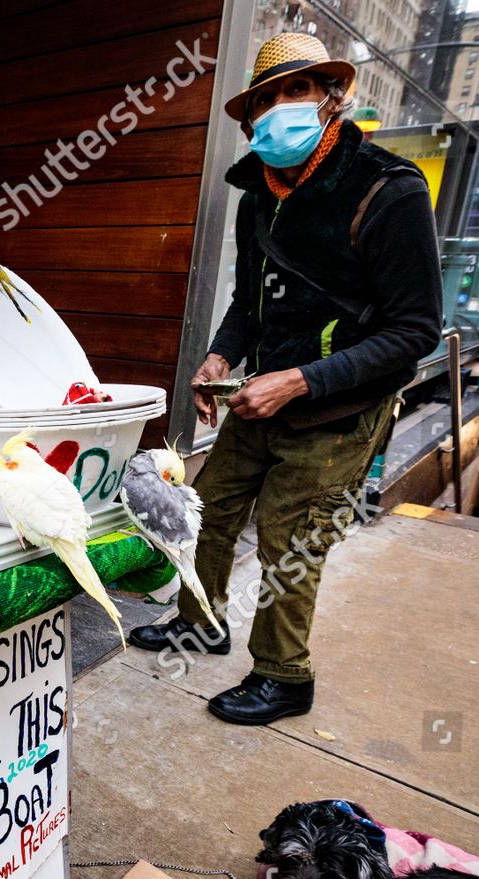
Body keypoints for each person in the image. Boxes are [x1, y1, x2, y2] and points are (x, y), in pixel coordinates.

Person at [129, 34, 442, 725]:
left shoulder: (388, 190)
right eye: (263, 100)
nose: (276, 110)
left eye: (294, 92)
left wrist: (299, 381)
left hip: (339, 408)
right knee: (204, 517)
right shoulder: (260, 196)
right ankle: (199, 623)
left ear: (334, 97)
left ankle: (283, 676)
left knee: (289, 543)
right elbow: (250, 302)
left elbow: (415, 331)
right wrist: (219, 356)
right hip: (262, 395)